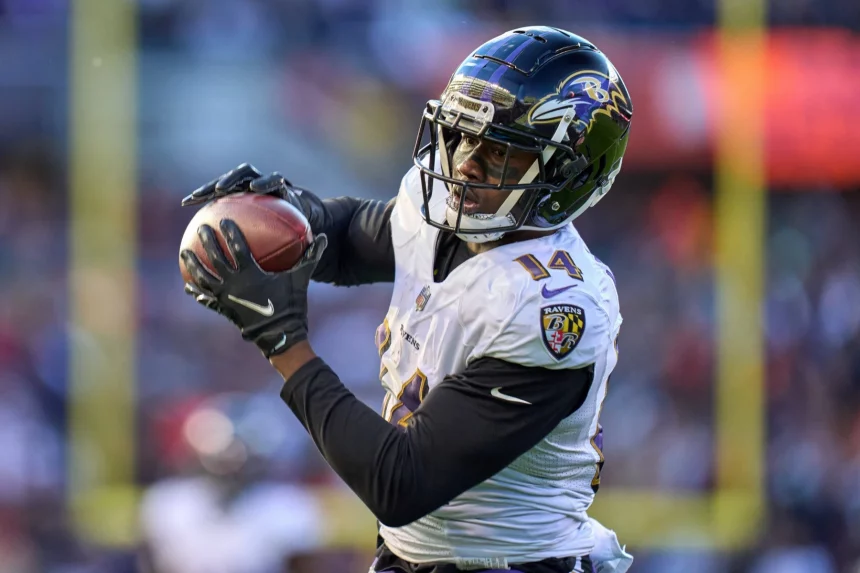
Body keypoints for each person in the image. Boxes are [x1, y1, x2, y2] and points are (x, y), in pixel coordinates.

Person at [180, 26, 634, 573]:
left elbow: (401, 483)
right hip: (407, 555)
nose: (465, 162)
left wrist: (281, 340)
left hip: (514, 563)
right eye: (463, 135)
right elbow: (350, 237)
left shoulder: (554, 307)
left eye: (500, 153)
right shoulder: (444, 205)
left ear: (567, 176)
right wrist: (284, 217)